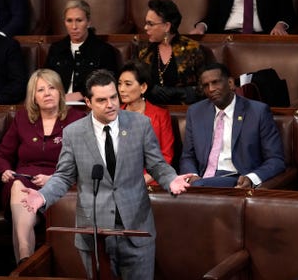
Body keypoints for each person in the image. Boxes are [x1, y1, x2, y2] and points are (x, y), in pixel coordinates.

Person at [18, 69, 191, 279]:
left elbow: (157, 165)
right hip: (94, 231)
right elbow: (64, 176)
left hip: (136, 228)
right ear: (88, 103)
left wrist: (170, 179)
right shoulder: (74, 132)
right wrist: (43, 195)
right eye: (101, 100)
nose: (110, 104)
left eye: (113, 97)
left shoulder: (140, 124)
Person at [0, 68, 85, 264]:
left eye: (51, 88)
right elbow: (2, 155)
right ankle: (26, 254)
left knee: (22, 202)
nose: (47, 93)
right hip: (25, 180)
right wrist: (5, 170)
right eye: (40, 90)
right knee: (18, 185)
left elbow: (85, 161)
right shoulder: (21, 119)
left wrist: (55, 179)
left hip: (61, 182)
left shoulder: (78, 119)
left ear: (60, 91)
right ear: (33, 97)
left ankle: (26, 261)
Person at [180, 63, 285, 188]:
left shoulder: (258, 112)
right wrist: (191, 175)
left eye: (215, 82)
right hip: (201, 179)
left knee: (197, 188)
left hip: (235, 178)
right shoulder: (196, 112)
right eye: (205, 86)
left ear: (230, 83)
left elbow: (276, 159)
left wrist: (251, 178)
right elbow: (188, 156)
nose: (211, 89)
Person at [44, 0, 118, 101]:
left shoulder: (104, 50)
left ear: (88, 22)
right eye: (69, 21)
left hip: (89, 105)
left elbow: (109, 83)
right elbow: (46, 79)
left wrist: (82, 94)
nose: (74, 27)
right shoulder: (56, 49)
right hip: (57, 104)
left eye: (79, 20)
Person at [138, 0, 205, 105]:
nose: (145, 28)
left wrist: (179, 93)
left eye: (150, 24)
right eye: (146, 23)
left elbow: (205, 87)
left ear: (167, 26)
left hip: (185, 111)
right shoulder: (143, 50)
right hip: (149, 111)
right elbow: (132, 81)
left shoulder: (192, 49)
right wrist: (149, 89)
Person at [118, 60, 174, 184]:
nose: (121, 89)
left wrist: (144, 179)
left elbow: (166, 156)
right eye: (119, 84)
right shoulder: (113, 115)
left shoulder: (160, 115)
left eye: (128, 84)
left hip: (151, 179)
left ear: (143, 87)